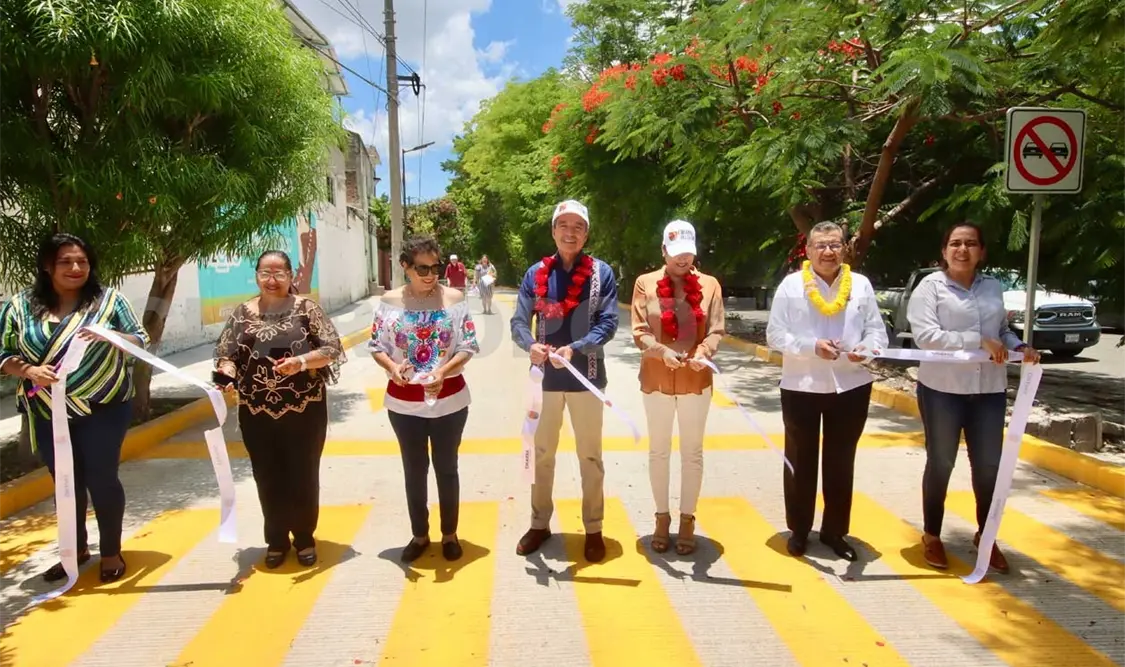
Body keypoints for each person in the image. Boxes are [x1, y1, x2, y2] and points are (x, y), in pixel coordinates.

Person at [0, 233, 149, 583]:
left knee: (101, 477)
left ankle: (110, 551)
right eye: (66, 261)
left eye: (82, 261)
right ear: (47, 266)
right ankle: (75, 549)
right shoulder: (20, 306)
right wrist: (28, 370)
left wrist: (111, 336)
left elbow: (141, 338)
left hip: (104, 406)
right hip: (47, 410)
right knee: (65, 481)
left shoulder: (108, 302)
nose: (76, 267)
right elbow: (3, 353)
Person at [906, 221, 1041, 573]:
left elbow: (1001, 332)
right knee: (941, 463)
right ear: (944, 250)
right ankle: (933, 536)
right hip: (942, 391)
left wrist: (1019, 346)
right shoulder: (930, 288)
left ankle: (986, 535)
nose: (962, 250)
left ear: (982, 251)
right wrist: (976, 340)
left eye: (970, 244)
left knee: (989, 468)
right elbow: (925, 336)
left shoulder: (993, 287)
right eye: (955, 243)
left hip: (989, 391)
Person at [214, 250, 344, 569]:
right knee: (267, 475)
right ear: (256, 276)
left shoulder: (306, 309)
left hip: (304, 409)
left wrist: (300, 362)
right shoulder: (242, 312)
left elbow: (332, 348)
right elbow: (226, 353)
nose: (272, 281)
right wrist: (226, 374)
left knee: (302, 473)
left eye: (279, 274)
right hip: (256, 411)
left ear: (291, 277)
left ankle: (303, 538)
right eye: (265, 274)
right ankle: (275, 539)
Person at [765, 221, 887, 561]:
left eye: (835, 245)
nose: (828, 251)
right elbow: (774, 336)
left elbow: (878, 332)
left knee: (840, 462)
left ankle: (835, 532)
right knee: (800, 461)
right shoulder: (791, 286)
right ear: (808, 250)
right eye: (821, 245)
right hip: (802, 385)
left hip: (851, 385)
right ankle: (799, 531)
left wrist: (868, 348)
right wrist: (809, 346)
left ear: (844, 249)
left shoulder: (860, 285)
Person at [510, 199, 619, 563]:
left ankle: (593, 528)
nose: (570, 233)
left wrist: (577, 347)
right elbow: (518, 322)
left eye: (578, 227)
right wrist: (530, 345)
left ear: (586, 234)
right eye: (563, 225)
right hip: (544, 380)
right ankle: (539, 523)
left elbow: (608, 323)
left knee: (590, 456)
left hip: (586, 377)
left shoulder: (602, 274)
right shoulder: (535, 274)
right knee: (542, 454)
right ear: (553, 230)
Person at [370, 237, 480, 563]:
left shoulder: (454, 299)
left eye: (436, 268)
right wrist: (393, 368)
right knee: (414, 470)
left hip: (450, 401)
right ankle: (420, 535)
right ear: (405, 266)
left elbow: (468, 346)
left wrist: (444, 371)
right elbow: (377, 346)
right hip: (403, 405)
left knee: (447, 468)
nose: (431, 275)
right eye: (422, 268)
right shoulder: (390, 301)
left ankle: (449, 534)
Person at [631, 220, 725, 555]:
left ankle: (687, 519)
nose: (682, 260)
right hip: (656, 378)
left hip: (695, 380)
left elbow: (716, 330)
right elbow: (640, 330)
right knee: (658, 450)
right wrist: (661, 351)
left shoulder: (710, 285)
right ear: (663, 251)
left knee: (692, 452)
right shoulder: (645, 283)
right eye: (675, 255)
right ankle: (661, 517)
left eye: (687, 254)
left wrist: (703, 352)